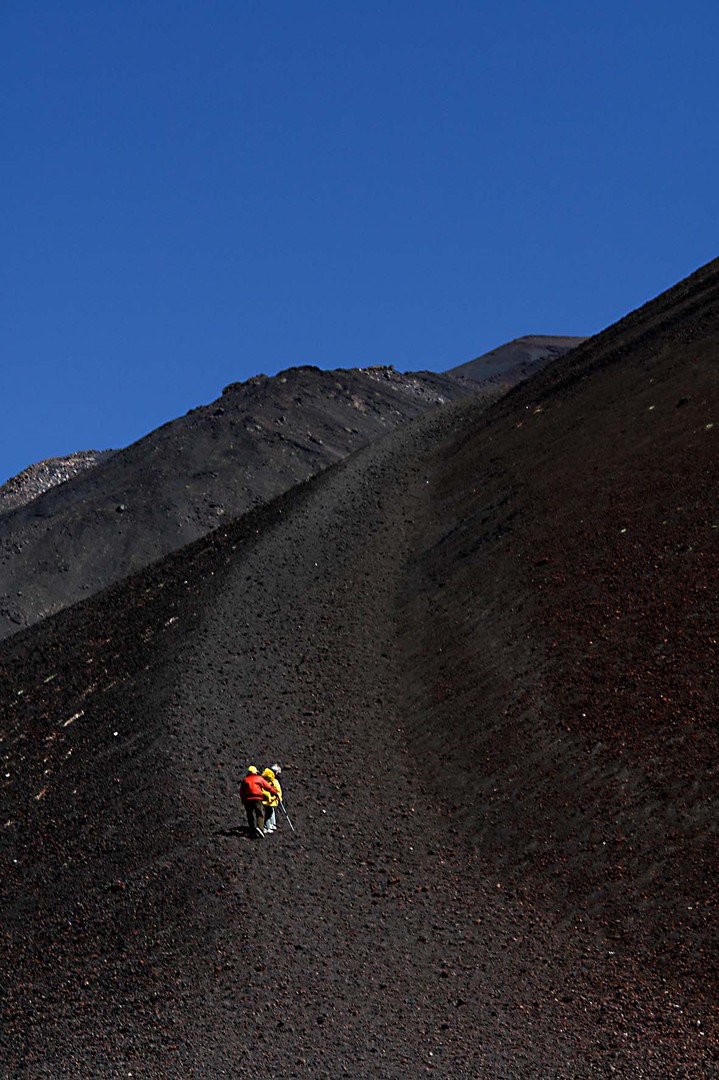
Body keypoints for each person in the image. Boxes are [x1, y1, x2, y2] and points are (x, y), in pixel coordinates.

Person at [240, 765, 278, 839]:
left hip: (248, 799)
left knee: (250, 814)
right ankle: (260, 828)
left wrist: (243, 800)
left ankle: (252, 830)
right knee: (259, 813)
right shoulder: (259, 778)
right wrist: (274, 792)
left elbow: (242, 792)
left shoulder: (245, 780)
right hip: (257, 798)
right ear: (255, 772)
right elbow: (267, 787)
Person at [261, 766, 282, 832]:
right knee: (268, 812)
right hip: (268, 798)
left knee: (271, 810)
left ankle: (272, 824)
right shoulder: (271, 779)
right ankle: (266, 827)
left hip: (268, 798)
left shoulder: (268, 778)